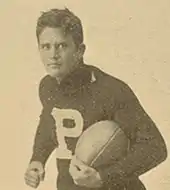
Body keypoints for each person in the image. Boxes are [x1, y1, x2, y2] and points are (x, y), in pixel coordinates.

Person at [24, 8, 167, 190]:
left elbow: (155, 148)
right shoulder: (47, 87)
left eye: (62, 45)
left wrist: (104, 177)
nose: (53, 55)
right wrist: (38, 159)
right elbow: (49, 123)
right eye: (46, 46)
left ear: (80, 50)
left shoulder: (111, 91)